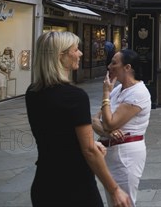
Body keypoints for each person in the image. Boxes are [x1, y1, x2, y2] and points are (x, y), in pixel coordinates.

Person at [25, 31, 131, 207]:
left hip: (44, 181)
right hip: (74, 185)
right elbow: (89, 151)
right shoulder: (74, 97)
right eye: (76, 49)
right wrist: (114, 190)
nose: (80, 53)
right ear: (61, 56)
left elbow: (54, 133)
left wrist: (88, 143)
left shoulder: (32, 92)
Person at [93, 49, 152, 205]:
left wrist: (106, 93)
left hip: (126, 155)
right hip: (111, 152)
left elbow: (110, 122)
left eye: (114, 63)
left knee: (123, 201)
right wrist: (109, 131)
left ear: (127, 67)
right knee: (113, 200)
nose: (109, 66)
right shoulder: (118, 89)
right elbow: (94, 120)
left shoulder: (138, 92)